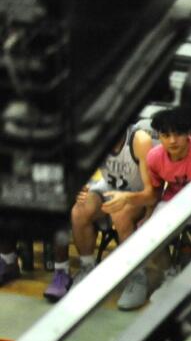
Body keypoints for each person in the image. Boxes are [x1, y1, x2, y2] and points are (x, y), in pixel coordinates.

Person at [104, 107, 191, 310]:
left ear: (189, 133)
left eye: (178, 134)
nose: (172, 140)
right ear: (159, 136)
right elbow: (153, 193)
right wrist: (144, 212)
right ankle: (170, 274)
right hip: (174, 201)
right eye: (166, 135)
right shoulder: (155, 157)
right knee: (150, 235)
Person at [44, 121, 154, 302]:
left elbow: (151, 193)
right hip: (110, 188)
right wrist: (80, 188)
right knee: (79, 210)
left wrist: (126, 198)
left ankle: (137, 275)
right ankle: (87, 268)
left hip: (138, 194)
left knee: (121, 213)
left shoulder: (139, 140)